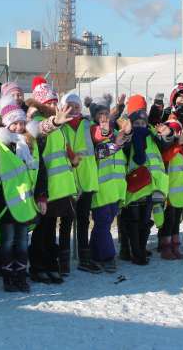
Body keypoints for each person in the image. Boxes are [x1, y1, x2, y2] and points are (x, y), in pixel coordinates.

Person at [0, 95, 48, 292]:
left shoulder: (30, 146)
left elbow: (40, 172)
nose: (19, 127)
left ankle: (20, 276)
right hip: (4, 205)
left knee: (22, 242)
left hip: (25, 204)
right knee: (7, 243)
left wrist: (41, 196)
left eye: (22, 123)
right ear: (6, 125)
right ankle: (8, 277)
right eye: (14, 124)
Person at [26, 80, 77, 282]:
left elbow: (61, 151)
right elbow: (41, 130)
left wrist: (73, 160)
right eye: (49, 101)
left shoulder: (59, 122)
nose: (53, 104)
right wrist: (55, 122)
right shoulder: (35, 120)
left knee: (50, 231)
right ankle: (38, 267)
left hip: (61, 187)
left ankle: (50, 264)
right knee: (41, 232)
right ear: (41, 104)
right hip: (45, 188)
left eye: (55, 100)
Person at [149, 84, 183, 251]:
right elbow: (156, 126)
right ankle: (164, 241)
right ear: (174, 97)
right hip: (172, 162)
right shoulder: (167, 113)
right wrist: (157, 106)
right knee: (170, 206)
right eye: (180, 96)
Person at [120, 95, 172, 265]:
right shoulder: (127, 134)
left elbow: (164, 145)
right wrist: (127, 133)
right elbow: (124, 148)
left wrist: (167, 135)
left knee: (144, 221)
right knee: (133, 221)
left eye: (143, 118)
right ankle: (135, 253)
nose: (141, 124)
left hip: (150, 184)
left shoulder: (150, 132)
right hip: (133, 184)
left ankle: (140, 249)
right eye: (137, 118)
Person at [85, 94, 132, 272]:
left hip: (116, 188)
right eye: (100, 113)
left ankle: (94, 254)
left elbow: (125, 139)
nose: (103, 116)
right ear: (94, 115)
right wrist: (115, 144)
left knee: (103, 224)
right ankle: (108, 256)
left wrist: (125, 134)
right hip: (101, 188)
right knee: (103, 223)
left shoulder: (113, 131)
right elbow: (99, 152)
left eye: (106, 112)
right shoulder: (92, 131)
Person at [59, 92, 102, 273]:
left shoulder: (87, 124)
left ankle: (84, 258)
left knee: (84, 219)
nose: (74, 109)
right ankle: (63, 260)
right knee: (66, 220)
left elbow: (99, 136)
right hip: (68, 179)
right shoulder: (60, 126)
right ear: (62, 108)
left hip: (86, 178)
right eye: (69, 106)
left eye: (76, 106)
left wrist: (104, 130)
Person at [158, 118, 183, 260]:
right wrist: (177, 146)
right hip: (170, 193)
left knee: (176, 222)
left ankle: (175, 247)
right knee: (168, 222)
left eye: (178, 131)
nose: (177, 134)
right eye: (174, 131)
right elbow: (165, 157)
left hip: (182, 195)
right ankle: (165, 248)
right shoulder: (169, 149)